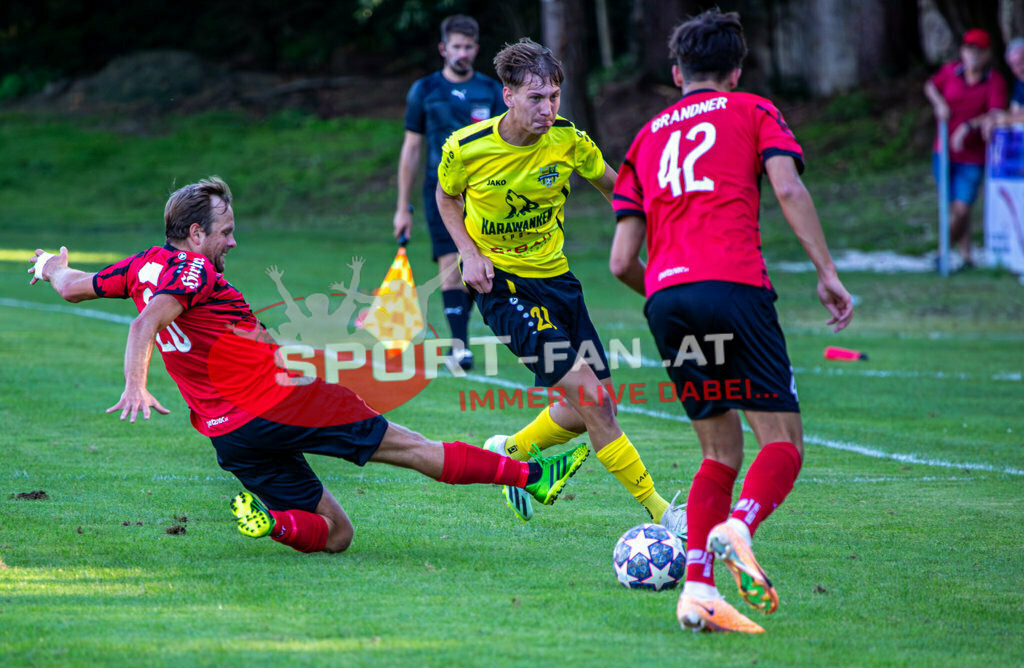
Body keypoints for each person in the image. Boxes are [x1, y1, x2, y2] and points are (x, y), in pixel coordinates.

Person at [27, 177, 588, 555]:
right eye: (225, 231)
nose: (233, 240)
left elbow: (74, 287)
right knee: (412, 445)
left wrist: (51, 265)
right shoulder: (191, 272)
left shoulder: (140, 265)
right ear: (195, 234)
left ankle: (272, 523)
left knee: (337, 535)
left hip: (230, 436)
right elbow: (144, 323)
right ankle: (534, 477)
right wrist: (135, 384)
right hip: (283, 401)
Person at [609, 10, 854, 634]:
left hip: (667, 298)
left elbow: (619, 262)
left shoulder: (645, 137)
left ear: (675, 72)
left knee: (718, 453)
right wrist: (826, 271)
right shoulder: (751, 109)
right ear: (736, 69)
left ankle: (697, 592)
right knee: (783, 444)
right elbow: (789, 189)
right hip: (735, 286)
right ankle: (738, 526)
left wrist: (670, 289)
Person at [436, 38, 684, 533]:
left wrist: (667, 215)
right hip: (504, 290)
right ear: (507, 95)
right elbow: (446, 198)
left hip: (560, 284)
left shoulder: (568, 140)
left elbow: (617, 188)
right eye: (535, 98)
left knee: (593, 403)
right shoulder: (465, 148)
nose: (547, 108)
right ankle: (664, 513)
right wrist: (468, 254)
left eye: (553, 96)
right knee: (594, 402)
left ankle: (514, 451)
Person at [393, 14, 506, 371]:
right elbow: (412, 148)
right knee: (449, 262)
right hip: (439, 189)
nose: (463, 52)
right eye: (456, 46)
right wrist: (402, 207)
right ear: (443, 48)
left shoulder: (491, 90)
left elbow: (506, 144)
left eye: (469, 46)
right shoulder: (424, 90)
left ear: (477, 48)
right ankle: (460, 346)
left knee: (481, 259)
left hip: (485, 190)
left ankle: (465, 333)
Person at [924, 28, 1007, 268]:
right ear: (963, 51)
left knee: (962, 208)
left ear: (987, 54)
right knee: (953, 205)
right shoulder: (950, 72)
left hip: (973, 155)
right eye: (970, 50)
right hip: (944, 151)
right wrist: (940, 104)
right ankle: (967, 254)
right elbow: (930, 86)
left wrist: (969, 126)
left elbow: (996, 113)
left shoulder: (994, 81)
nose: (973, 55)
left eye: (979, 51)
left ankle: (942, 252)